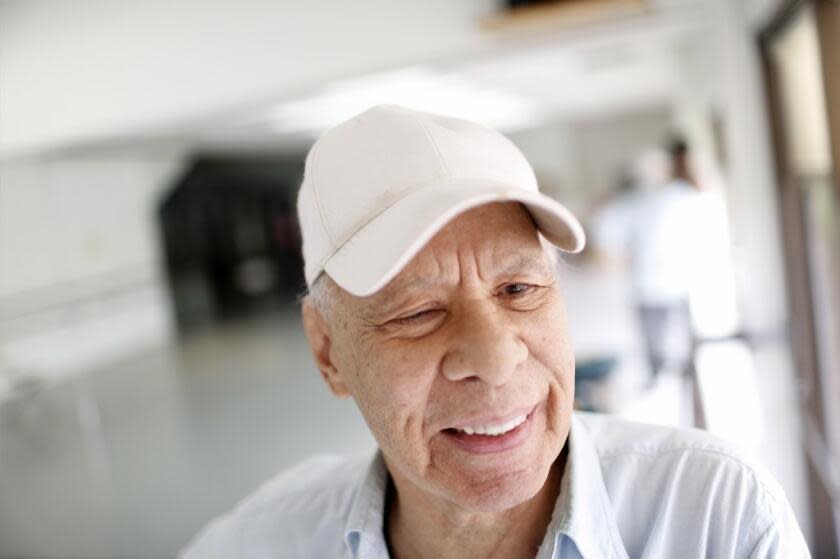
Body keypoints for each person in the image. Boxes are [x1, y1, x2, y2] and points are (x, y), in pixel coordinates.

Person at [180, 105, 809, 558]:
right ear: (328, 352)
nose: (495, 358)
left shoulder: (714, 520)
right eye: (417, 312)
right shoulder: (261, 542)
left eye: (519, 289)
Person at [591, 141, 703, 382]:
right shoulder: (666, 196)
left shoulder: (645, 200)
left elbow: (606, 243)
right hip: (659, 289)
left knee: (666, 360)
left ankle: (668, 384)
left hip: (658, 289)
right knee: (674, 359)